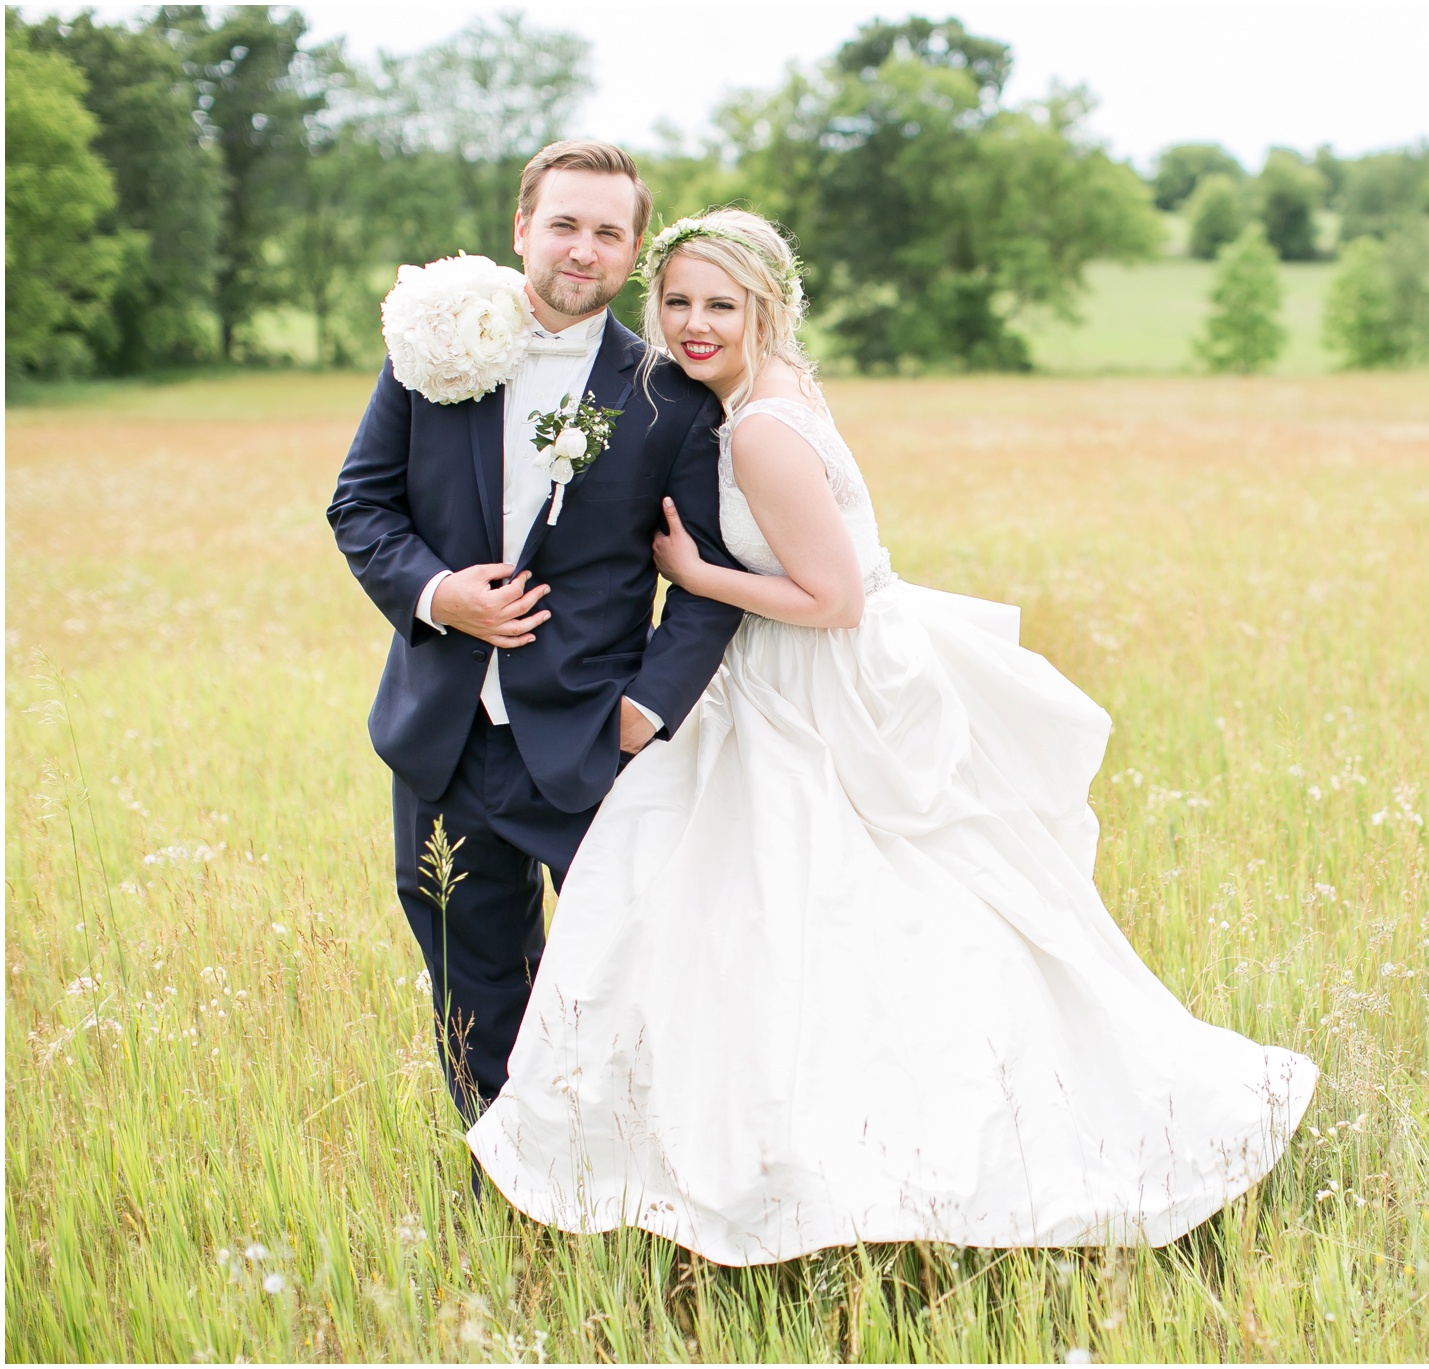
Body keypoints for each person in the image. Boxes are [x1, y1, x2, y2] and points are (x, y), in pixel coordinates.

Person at [467, 208, 1317, 1265]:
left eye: (719, 305)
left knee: (819, 909)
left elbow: (828, 599)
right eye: (676, 300)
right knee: (821, 908)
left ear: (764, 308)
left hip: (804, 681)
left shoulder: (763, 429)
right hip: (815, 670)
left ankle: (862, 1157)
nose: (691, 323)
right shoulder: (774, 388)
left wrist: (693, 577)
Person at [327, 141, 744, 1120]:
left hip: (592, 739)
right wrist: (439, 594)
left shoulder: (669, 400)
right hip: (441, 736)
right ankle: (504, 1188)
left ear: (633, 250)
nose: (582, 249)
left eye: (608, 231)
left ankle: (629, 1179)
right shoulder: (433, 352)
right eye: (563, 224)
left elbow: (707, 582)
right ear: (522, 230)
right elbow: (362, 507)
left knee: (624, 980)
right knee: (472, 989)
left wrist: (645, 707)